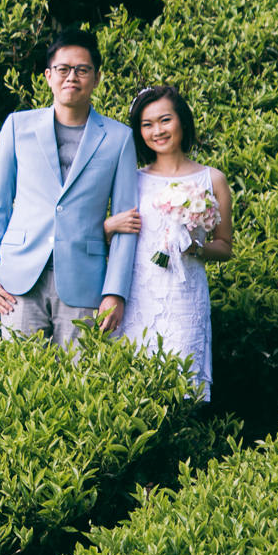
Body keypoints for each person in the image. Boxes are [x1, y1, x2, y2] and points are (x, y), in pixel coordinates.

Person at [0, 31, 140, 347]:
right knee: (20, 380)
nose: (73, 77)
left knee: (79, 383)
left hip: (86, 281)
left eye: (82, 70)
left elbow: (128, 221)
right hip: (19, 279)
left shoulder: (119, 138)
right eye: (63, 69)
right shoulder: (17, 126)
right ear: (48, 76)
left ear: (96, 78)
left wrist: (115, 290)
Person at [103, 83, 232, 400]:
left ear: (182, 122)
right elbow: (99, 238)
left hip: (184, 296)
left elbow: (225, 247)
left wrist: (196, 248)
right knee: (133, 389)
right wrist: (109, 225)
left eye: (165, 120)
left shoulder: (211, 179)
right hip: (137, 294)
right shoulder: (131, 179)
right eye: (147, 125)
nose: (157, 131)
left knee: (181, 389)